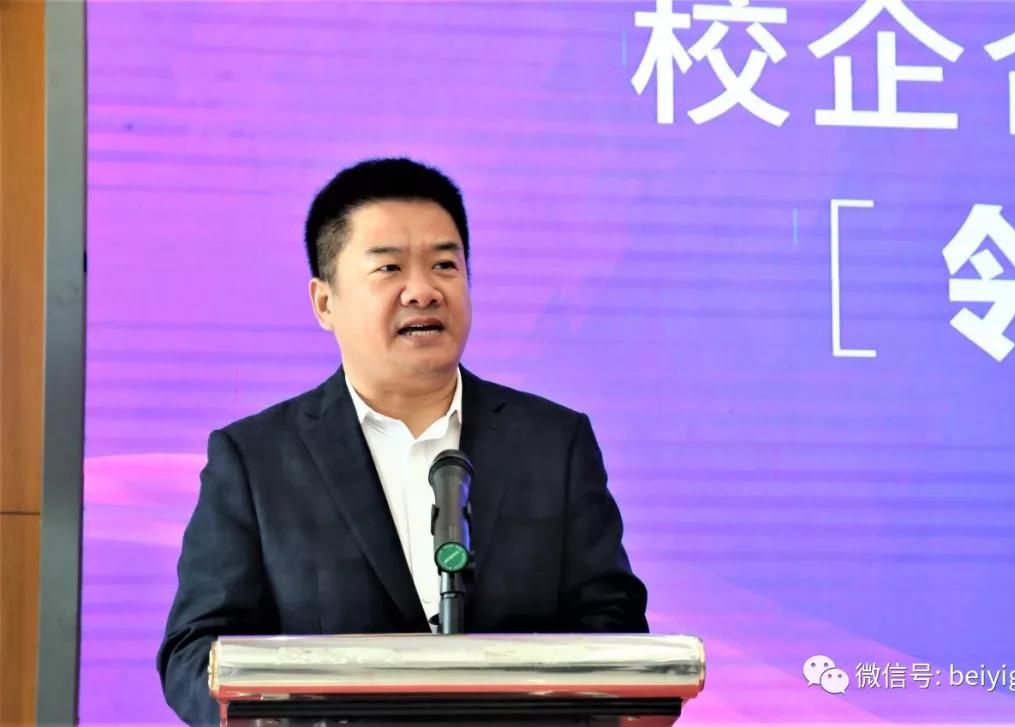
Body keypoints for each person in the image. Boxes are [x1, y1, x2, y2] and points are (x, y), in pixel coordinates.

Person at [156, 157, 649, 725]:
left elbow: (612, 626)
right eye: (389, 268)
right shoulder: (256, 460)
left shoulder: (553, 444)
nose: (423, 290)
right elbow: (196, 653)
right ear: (325, 302)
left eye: (445, 265)